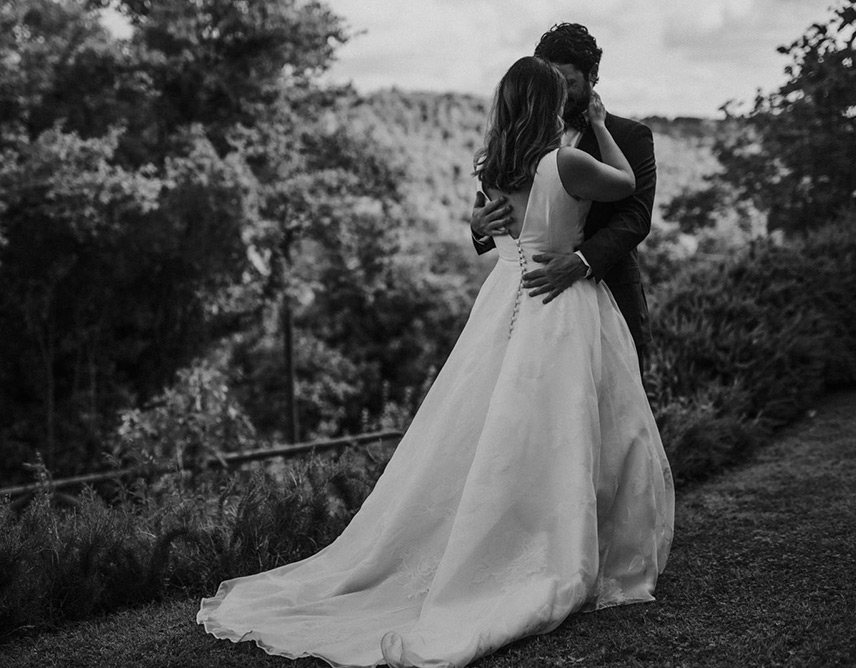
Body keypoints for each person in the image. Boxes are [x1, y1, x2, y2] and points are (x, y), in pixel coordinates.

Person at [197, 55, 674, 668]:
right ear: (550, 102)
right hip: (559, 306)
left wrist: (499, 219)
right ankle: (552, 546)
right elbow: (624, 187)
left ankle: (530, 536)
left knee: (511, 429)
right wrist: (599, 127)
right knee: (554, 428)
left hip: (511, 296)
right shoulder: (571, 158)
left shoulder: (493, 162)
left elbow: (563, 221)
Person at [471, 23, 656, 372]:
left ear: (593, 75)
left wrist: (582, 261)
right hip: (528, 304)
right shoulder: (508, 152)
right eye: (552, 83)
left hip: (609, 292)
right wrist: (480, 227)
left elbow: (637, 217)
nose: (561, 93)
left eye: (568, 83)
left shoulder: (631, 137)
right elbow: (511, 220)